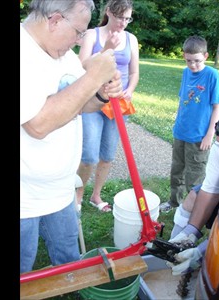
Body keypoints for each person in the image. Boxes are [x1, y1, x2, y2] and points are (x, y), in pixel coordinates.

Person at [20, 0, 124, 274]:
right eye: (78, 32)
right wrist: (93, 77)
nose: (80, 40)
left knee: (69, 264)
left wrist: (100, 93)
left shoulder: (61, 54)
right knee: (23, 270)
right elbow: (38, 125)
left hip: (61, 189)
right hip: (23, 198)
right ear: (54, 20)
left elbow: (79, 103)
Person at [76, 0, 139, 212]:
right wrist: (107, 48)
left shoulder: (131, 39)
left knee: (108, 154)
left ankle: (96, 196)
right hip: (93, 101)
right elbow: (83, 64)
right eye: (121, 17)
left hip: (118, 104)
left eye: (128, 18)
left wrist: (130, 89)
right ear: (109, 12)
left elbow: (134, 72)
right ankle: (78, 197)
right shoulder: (92, 35)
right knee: (89, 155)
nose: (124, 22)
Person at [166, 107, 219, 275]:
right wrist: (191, 232)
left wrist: (203, 252)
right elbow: (210, 190)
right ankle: (174, 246)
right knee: (193, 196)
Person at [159, 35, 219, 213]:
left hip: (199, 136)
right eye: (188, 61)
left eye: (197, 61)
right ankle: (174, 202)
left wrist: (210, 134)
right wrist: (177, 122)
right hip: (181, 132)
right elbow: (183, 100)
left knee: (194, 177)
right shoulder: (186, 72)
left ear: (206, 56)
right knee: (176, 170)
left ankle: (194, 211)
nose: (192, 65)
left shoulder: (212, 75)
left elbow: (217, 107)